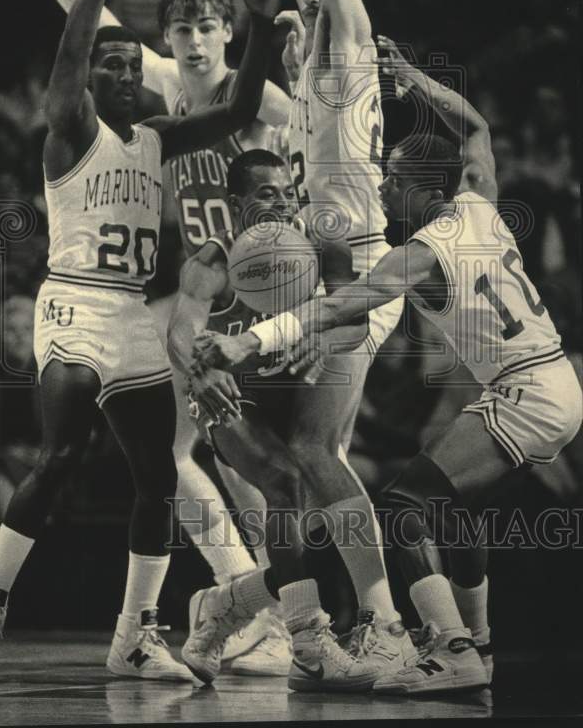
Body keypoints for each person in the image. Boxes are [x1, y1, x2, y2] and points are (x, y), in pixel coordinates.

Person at [0, 0, 292, 668]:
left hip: (154, 309)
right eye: (110, 67)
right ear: (90, 80)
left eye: (133, 66)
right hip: (76, 304)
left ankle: (138, 634)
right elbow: (79, 48)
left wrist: (261, 22)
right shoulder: (71, 126)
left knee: (162, 476)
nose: (127, 73)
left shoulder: (158, 134)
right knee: (62, 458)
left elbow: (243, 107)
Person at [195, 131, 583, 694]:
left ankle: (445, 645)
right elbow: (476, 131)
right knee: (453, 514)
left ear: (426, 190)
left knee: (403, 507)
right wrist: (423, 84)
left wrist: (249, 342)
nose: (383, 185)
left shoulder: (419, 252)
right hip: (550, 383)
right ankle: (476, 645)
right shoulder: (477, 202)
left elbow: (342, 307)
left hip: (524, 391)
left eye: (395, 179)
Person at [227, 0, 409, 666]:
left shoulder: (347, 38)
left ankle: (380, 626)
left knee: (314, 455)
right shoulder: (302, 93)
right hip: (318, 280)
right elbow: (222, 97)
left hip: (362, 275)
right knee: (284, 456)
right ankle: (284, 622)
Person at [168, 148, 417, 690]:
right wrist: (200, 374)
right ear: (235, 203)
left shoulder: (323, 241)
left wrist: (318, 333)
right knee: (283, 484)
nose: (281, 205)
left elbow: (354, 324)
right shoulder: (213, 261)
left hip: (293, 393)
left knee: (308, 498)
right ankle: (307, 640)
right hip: (234, 402)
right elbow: (181, 329)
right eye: (265, 194)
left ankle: (227, 608)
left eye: (287, 192)